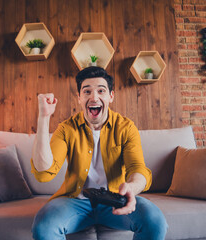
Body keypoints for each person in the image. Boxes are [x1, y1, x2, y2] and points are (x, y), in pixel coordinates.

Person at [31, 67, 168, 240]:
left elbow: (138, 169)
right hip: (75, 201)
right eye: (87, 91)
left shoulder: (126, 127)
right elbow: (44, 173)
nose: (94, 97)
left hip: (114, 200)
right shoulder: (66, 129)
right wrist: (43, 117)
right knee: (44, 227)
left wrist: (131, 189)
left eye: (101, 91)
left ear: (111, 96)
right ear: (79, 98)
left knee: (155, 222)